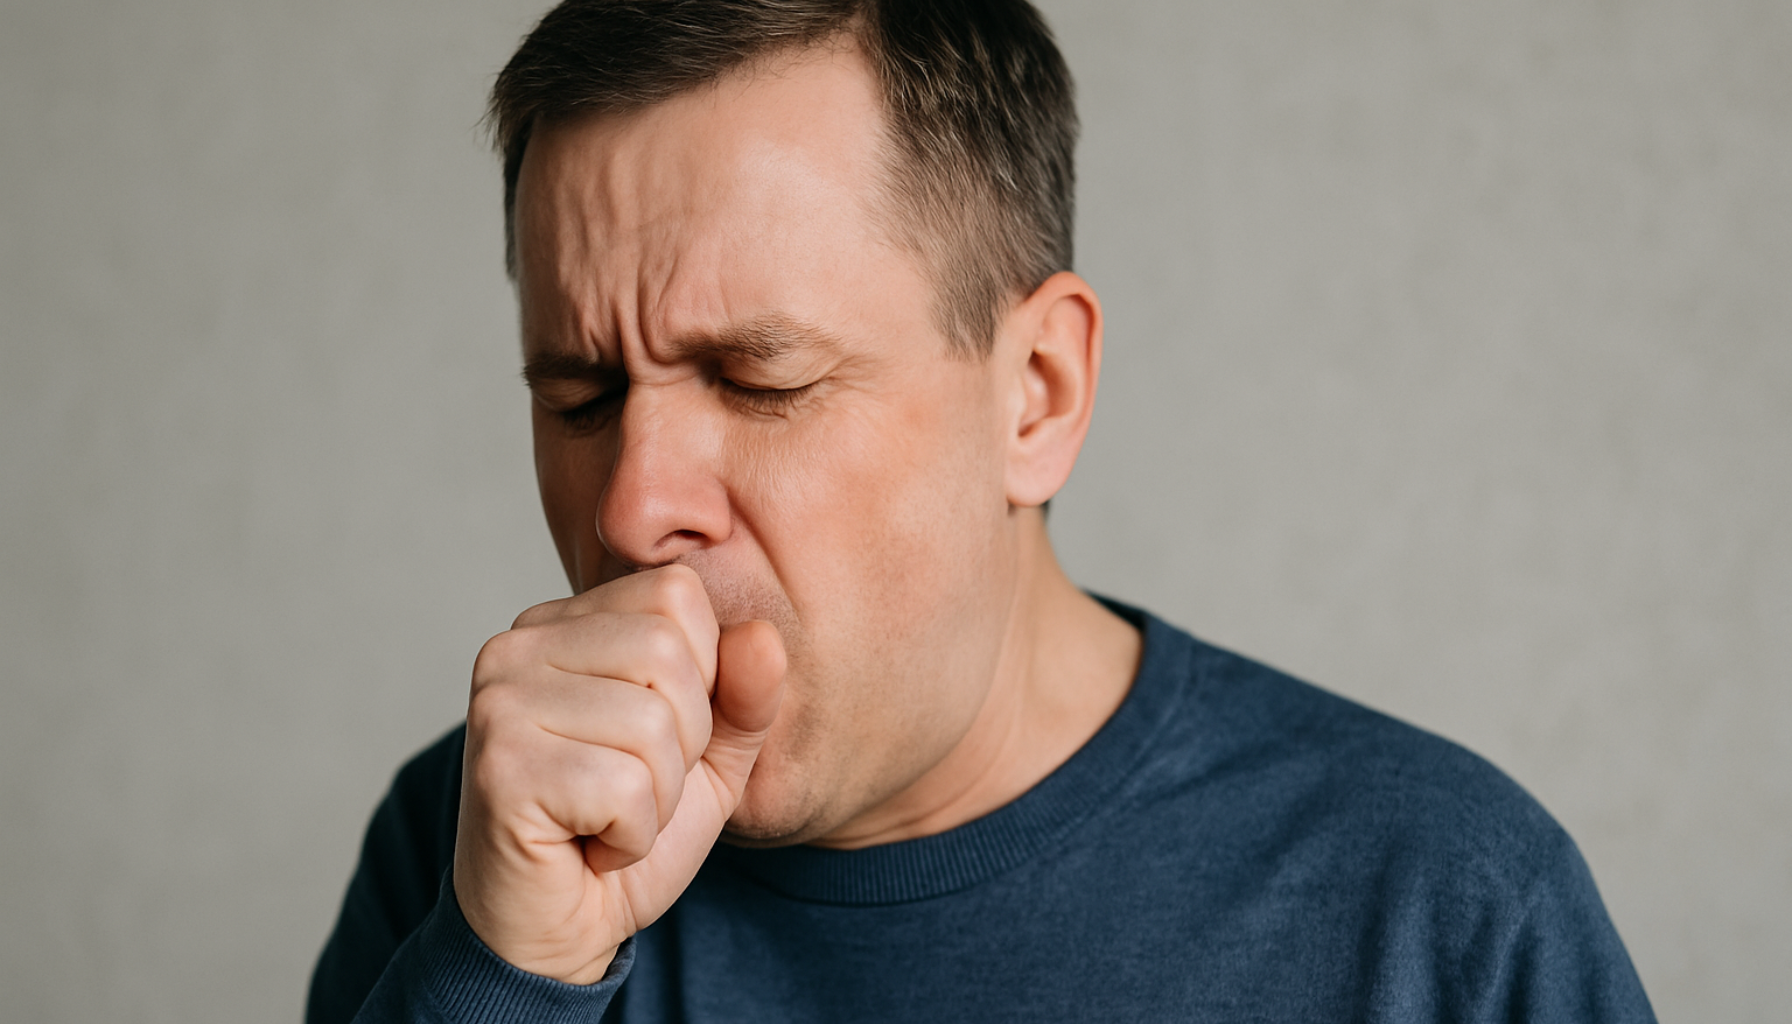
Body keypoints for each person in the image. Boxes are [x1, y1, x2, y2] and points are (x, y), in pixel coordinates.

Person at [308, 1, 1656, 1020]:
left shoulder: (1440, 915)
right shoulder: (471, 850)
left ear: (1035, 396)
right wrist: (505, 978)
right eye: (583, 395)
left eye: (758, 377)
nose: (636, 505)